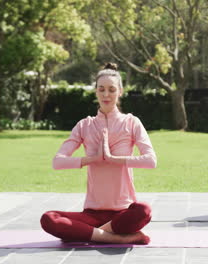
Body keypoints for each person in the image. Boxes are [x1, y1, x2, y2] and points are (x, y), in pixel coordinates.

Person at [40, 62, 156, 244]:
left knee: (144, 211)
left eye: (111, 89)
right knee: (49, 218)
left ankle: (93, 234)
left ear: (120, 91)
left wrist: (113, 159)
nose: (106, 94)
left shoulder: (132, 122)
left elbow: (151, 161)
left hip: (123, 214)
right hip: (92, 214)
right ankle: (117, 239)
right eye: (101, 89)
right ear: (95, 92)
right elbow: (57, 162)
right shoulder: (84, 125)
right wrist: (92, 159)